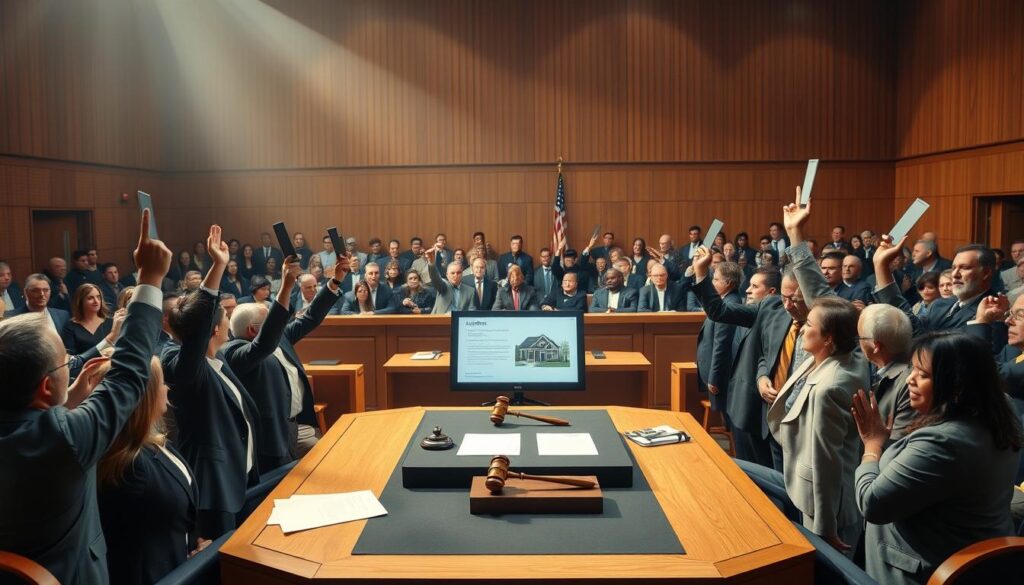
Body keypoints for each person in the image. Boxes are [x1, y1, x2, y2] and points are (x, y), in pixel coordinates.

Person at [0, 209, 170, 585]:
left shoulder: (53, 425)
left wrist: (68, 401)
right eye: (65, 364)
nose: (71, 369)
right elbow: (128, 373)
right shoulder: (66, 438)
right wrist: (151, 279)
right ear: (46, 387)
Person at [852, 332, 1021, 585]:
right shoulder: (1000, 408)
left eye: (924, 375)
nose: (910, 379)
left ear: (958, 385)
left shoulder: (943, 444)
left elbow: (871, 503)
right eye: (912, 369)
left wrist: (872, 446)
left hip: (921, 571)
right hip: (977, 559)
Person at [162, 224, 260, 538]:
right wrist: (217, 266)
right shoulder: (184, 366)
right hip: (215, 486)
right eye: (224, 317)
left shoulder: (218, 362)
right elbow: (195, 333)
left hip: (239, 477)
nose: (229, 320)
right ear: (214, 329)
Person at [224, 256, 346, 471]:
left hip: (297, 425)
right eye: (270, 320)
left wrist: (334, 282)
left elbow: (310, 318)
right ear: (253, 330)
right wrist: (287, 286)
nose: (279, 324)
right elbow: (262, 346)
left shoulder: (280, 337)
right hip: (272, 436)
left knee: (328, 461)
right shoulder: (236, 353)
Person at [97, 357, 207, 585]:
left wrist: (190, 547)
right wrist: (189, 562)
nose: (167, 387)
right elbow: (138, 546)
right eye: (161, 383)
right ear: (142, 398)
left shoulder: (152, 442)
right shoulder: (130, 467)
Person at [873, 238, 1008, 353]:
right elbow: (909, 326)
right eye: (954, 267)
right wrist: (881, 266)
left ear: (985, 273)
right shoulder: (940, 304)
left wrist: (881, 267)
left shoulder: (992, 312)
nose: (955, 274)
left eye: (964, 268)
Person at [857, 303, 915, 444]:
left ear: (876, 346)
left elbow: (898, 445)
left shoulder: (910, 384)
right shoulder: (877, 369)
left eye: (860, 338)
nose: (859, 344)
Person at [696, 262, 743, 424]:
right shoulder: (725, 301)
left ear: (728, 283)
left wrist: (714, 377)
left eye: (715, 279)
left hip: (720, 377)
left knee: (729, 421)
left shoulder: (730, 304)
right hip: (717, 374)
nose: (712, 283)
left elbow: (721, 345)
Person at [61, 284, 113, 355]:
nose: (96, 301)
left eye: (98, 297)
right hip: (84, 365)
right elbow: (71, 358)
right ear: (80, 301)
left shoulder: (111, 322)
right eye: (90, 298)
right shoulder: (70, 326)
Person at [427, 247, 475, 314]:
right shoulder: (443, 286)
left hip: (459, 322)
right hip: (440, 321)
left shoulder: (470, 291)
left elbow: (471, 311)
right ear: (447, 275)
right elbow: (435, 278)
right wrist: (432, 263)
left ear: (462, 274)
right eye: (452, 273)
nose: (455, 275)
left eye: (458, 273)